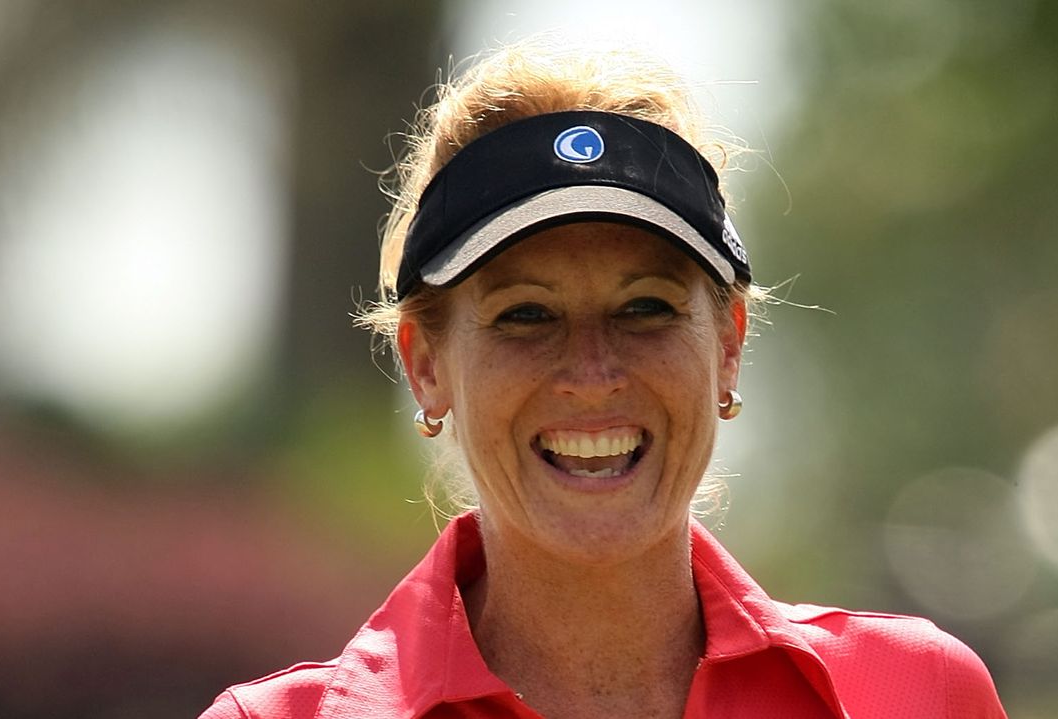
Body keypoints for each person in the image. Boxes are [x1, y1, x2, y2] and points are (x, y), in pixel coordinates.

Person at [199, 37, 1008, 719]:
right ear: (425, 367)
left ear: (728, 344)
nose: (592, 374)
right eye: (526, 315)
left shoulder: (916, 693)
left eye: (645, 307)